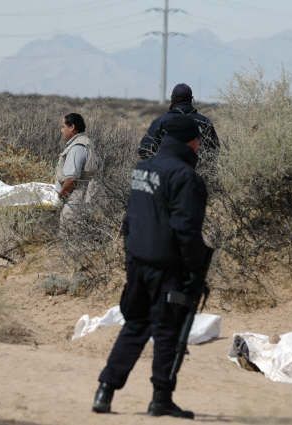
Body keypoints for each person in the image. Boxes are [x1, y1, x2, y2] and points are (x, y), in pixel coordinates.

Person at [93, 115, 212, 419]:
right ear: (191, 142)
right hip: (166, 266)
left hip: (137, 261)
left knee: (135, 325)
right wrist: (196, 267)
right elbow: (185, 229)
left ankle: (105, 389)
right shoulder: (185, 177)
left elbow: (129, 221)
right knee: (167, 331)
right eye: (198, 141)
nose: (199, 145)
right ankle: (161, 398)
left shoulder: (143, 169)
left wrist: (129, 258)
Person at [138, 83, 218, 160]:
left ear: (172, 99)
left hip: (166, 171)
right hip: (199, 172)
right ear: (191, 99)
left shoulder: (160, 122)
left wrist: (160, 166)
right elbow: (214, 149)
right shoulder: (205, 122)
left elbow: (145, 149)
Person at [55, 113, 98, 229]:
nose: (61, 130)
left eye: (63, 127)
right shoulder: (85, 142)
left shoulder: (77, 147)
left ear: (72, 127)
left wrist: (60, 195)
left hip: (74, 199)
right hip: (83, 197)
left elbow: (71, 179)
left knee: (68, 234)